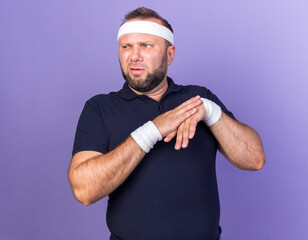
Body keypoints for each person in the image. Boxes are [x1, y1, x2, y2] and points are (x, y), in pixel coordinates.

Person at [68, 7, 265, 240]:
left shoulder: (198, 100)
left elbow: (254, 159)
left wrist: (211, 112)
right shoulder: (100, 108)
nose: (134, 57)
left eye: (146, 46)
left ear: (169, 54)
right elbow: (84, 190)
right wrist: (151, 131)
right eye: (126, 47)